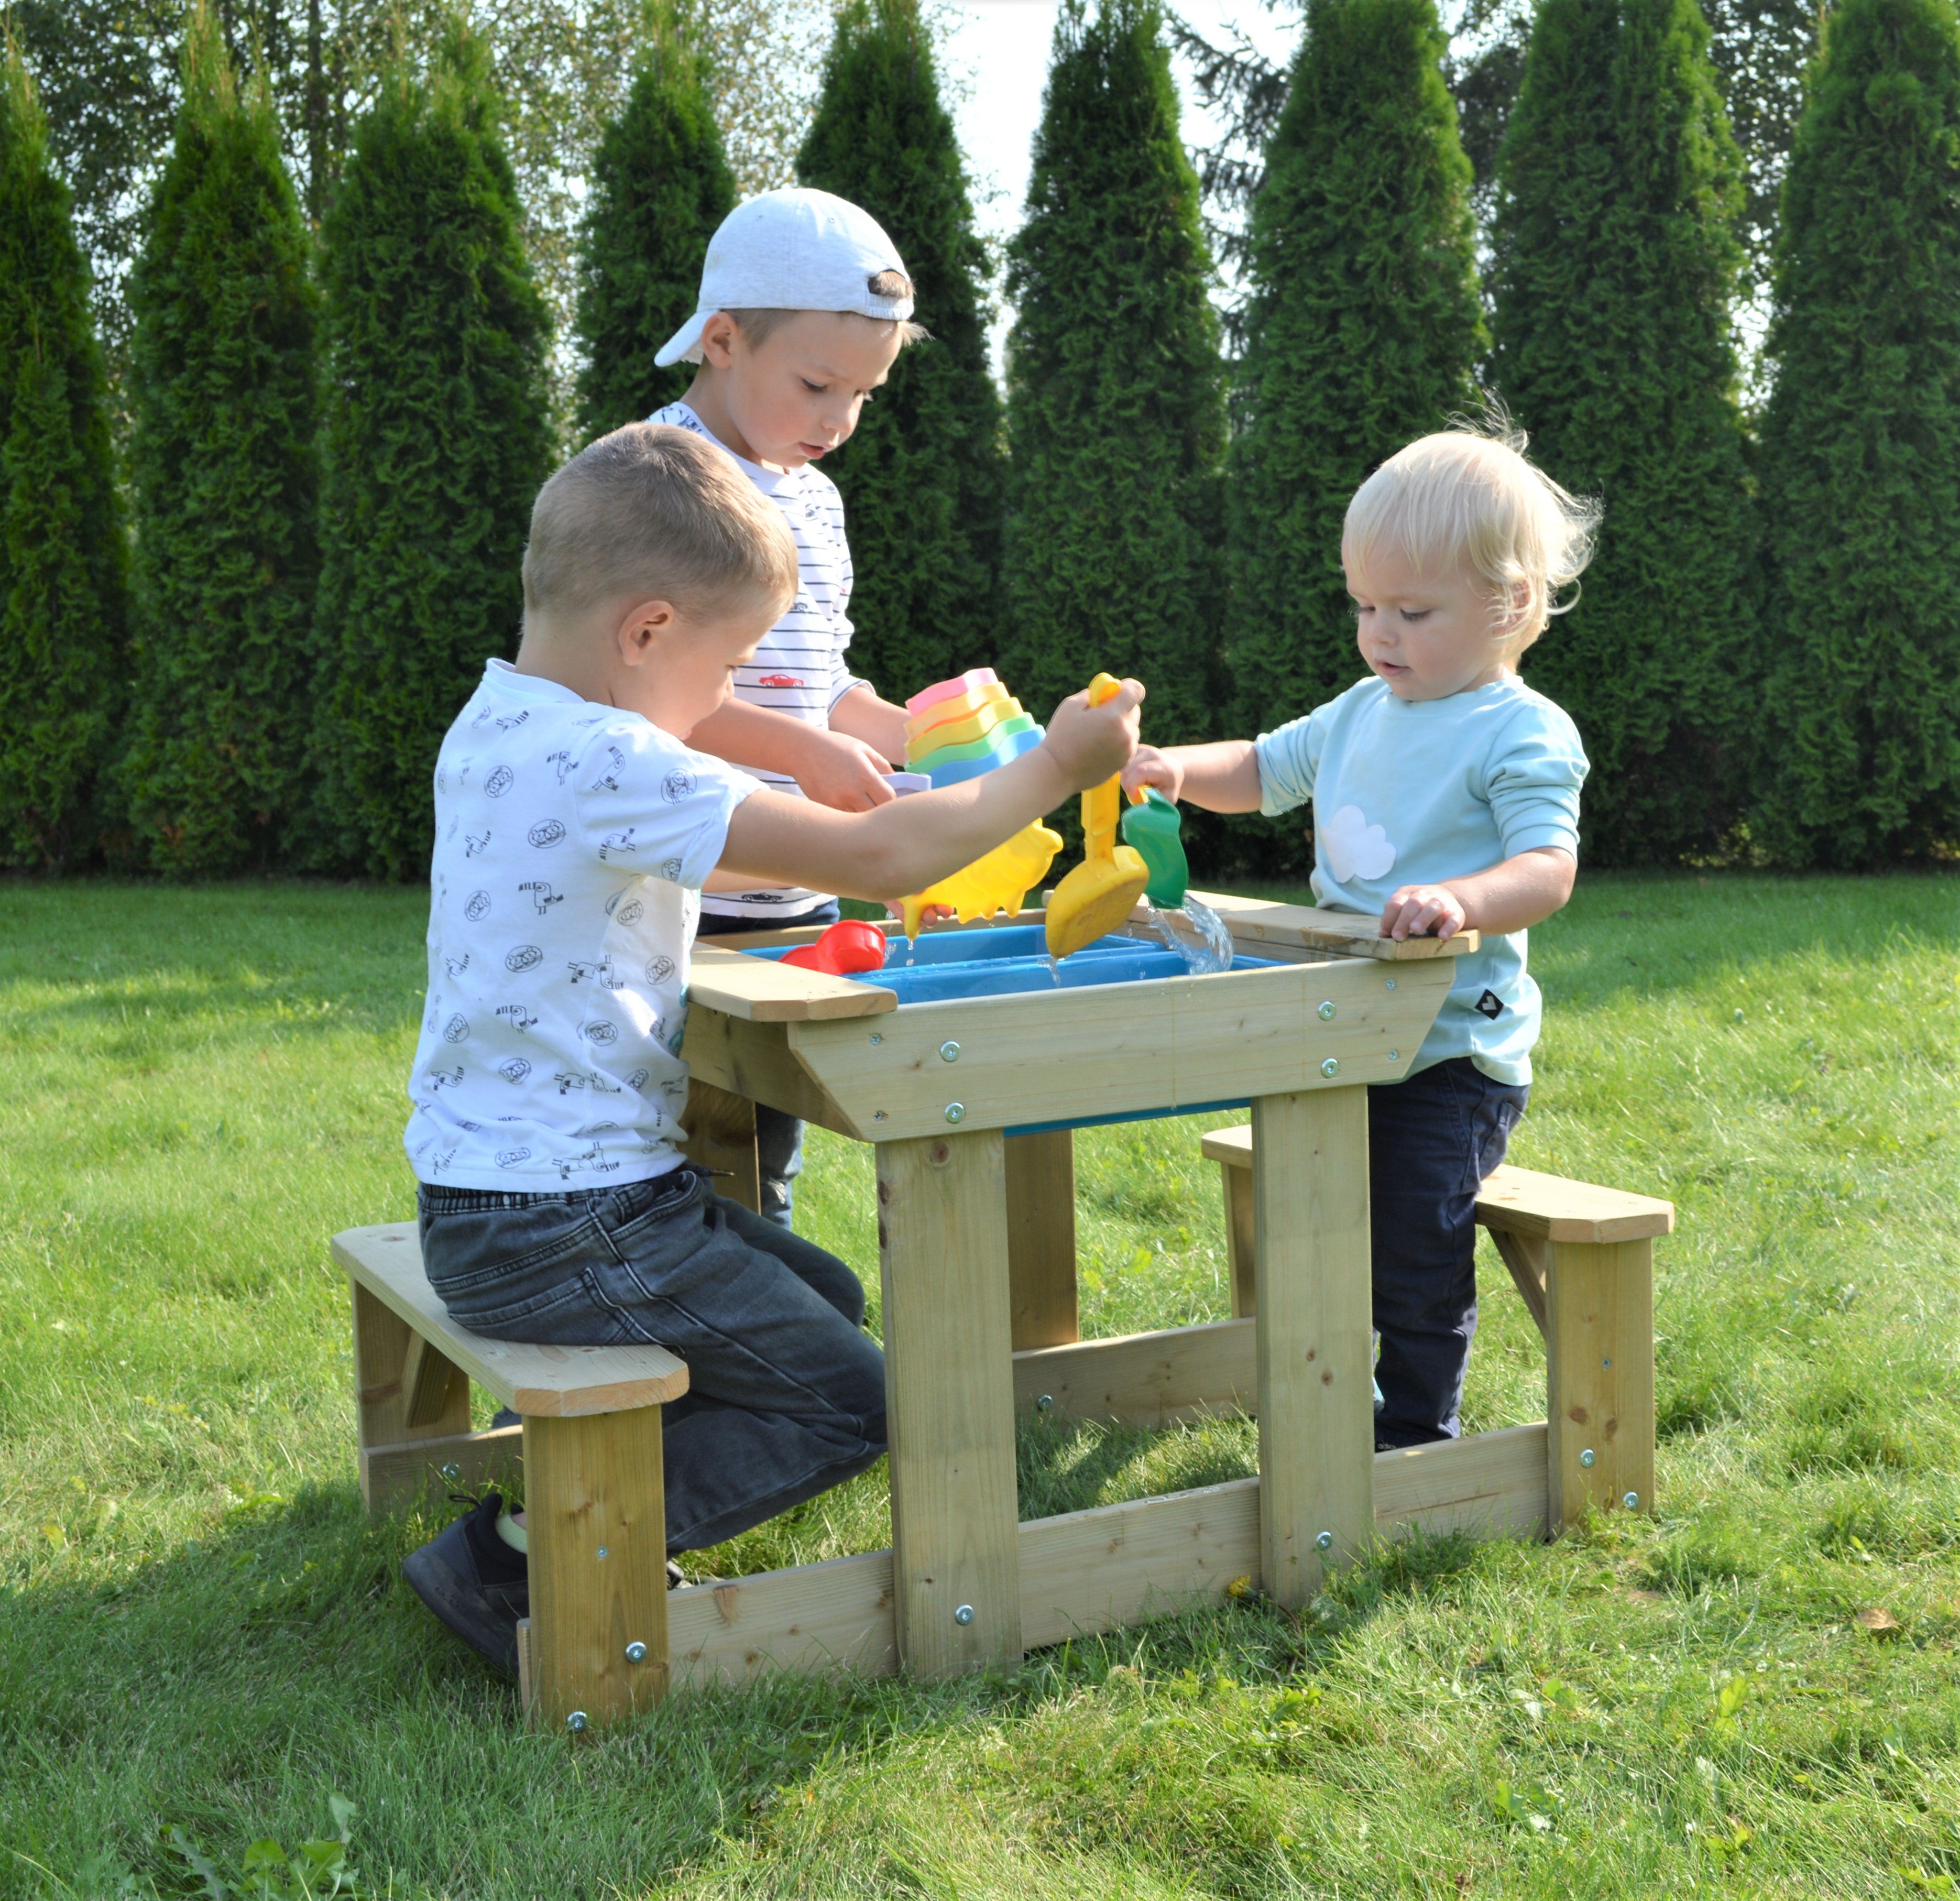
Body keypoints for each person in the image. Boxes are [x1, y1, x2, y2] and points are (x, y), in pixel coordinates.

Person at [400, 422, 1141, 1673]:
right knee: (856, 1398)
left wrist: (876, 814)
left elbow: (760, 850)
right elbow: (873, 866)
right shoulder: (611, 750)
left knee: (830, 1300)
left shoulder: (503, 722)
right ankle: (523, 1555)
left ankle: (588, 1501)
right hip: (566, 1224)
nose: (728, 699)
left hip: (498, 1203)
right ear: (645, 632)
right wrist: (1054, 768)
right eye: (730, 665)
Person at [1121, 422, 1597, 1449]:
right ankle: (1321, 1396)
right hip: (1332, 1027)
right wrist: (1171, 769)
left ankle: (1414, 1434)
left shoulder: (1519, 730)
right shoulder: (1357, 710)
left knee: (1413, 1254)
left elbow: (1545, 867)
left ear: (1506, 605)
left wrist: (1459, 901)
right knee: (1317, 1232)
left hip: (1445, 1050)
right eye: (1364, 604)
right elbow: (1257, 768)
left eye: (1411, 610)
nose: (1378, 631)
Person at [648, 187, 926, 1229]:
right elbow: (647, 686)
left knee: (761, 1160)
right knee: (684, 1151)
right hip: (684, 886)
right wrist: (801, 756)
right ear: (722, 340)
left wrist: (924, 737)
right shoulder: (661, 477)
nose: (839, 419)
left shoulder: (813, 497)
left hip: (795, 894)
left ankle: (755, 1358)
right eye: (816, 385)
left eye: (863, 394)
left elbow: (824, 685)